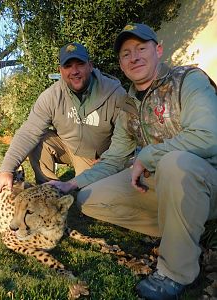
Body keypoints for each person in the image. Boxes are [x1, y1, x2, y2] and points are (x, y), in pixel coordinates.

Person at [48, 23, 217, 300]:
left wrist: (149, 155)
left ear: (158, 50)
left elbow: (209, 136)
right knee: (90, 199)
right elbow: (114, 158)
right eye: (126, 53)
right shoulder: (129, 103)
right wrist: (72, 184)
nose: (134, 57)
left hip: (207, 181)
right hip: (167, 184)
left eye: (141, 48)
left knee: (175, 163)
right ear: (121, 63)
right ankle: (182, 230)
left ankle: (176, 272)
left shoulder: (189, 80)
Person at [0, 42, 127, 200]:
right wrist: (6, 170)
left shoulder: (115, 93)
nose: (74, 71)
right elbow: (28, 133)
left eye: (80, 64)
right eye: (68, 66)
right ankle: (49, 195)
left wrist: (108, 158)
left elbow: (127, 137)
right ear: (60, 71)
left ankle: (83, 185)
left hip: (97, 158)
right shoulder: (51, 96)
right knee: (39, 139)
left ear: (90, 66)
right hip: (68, 148)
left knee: (90, 198)